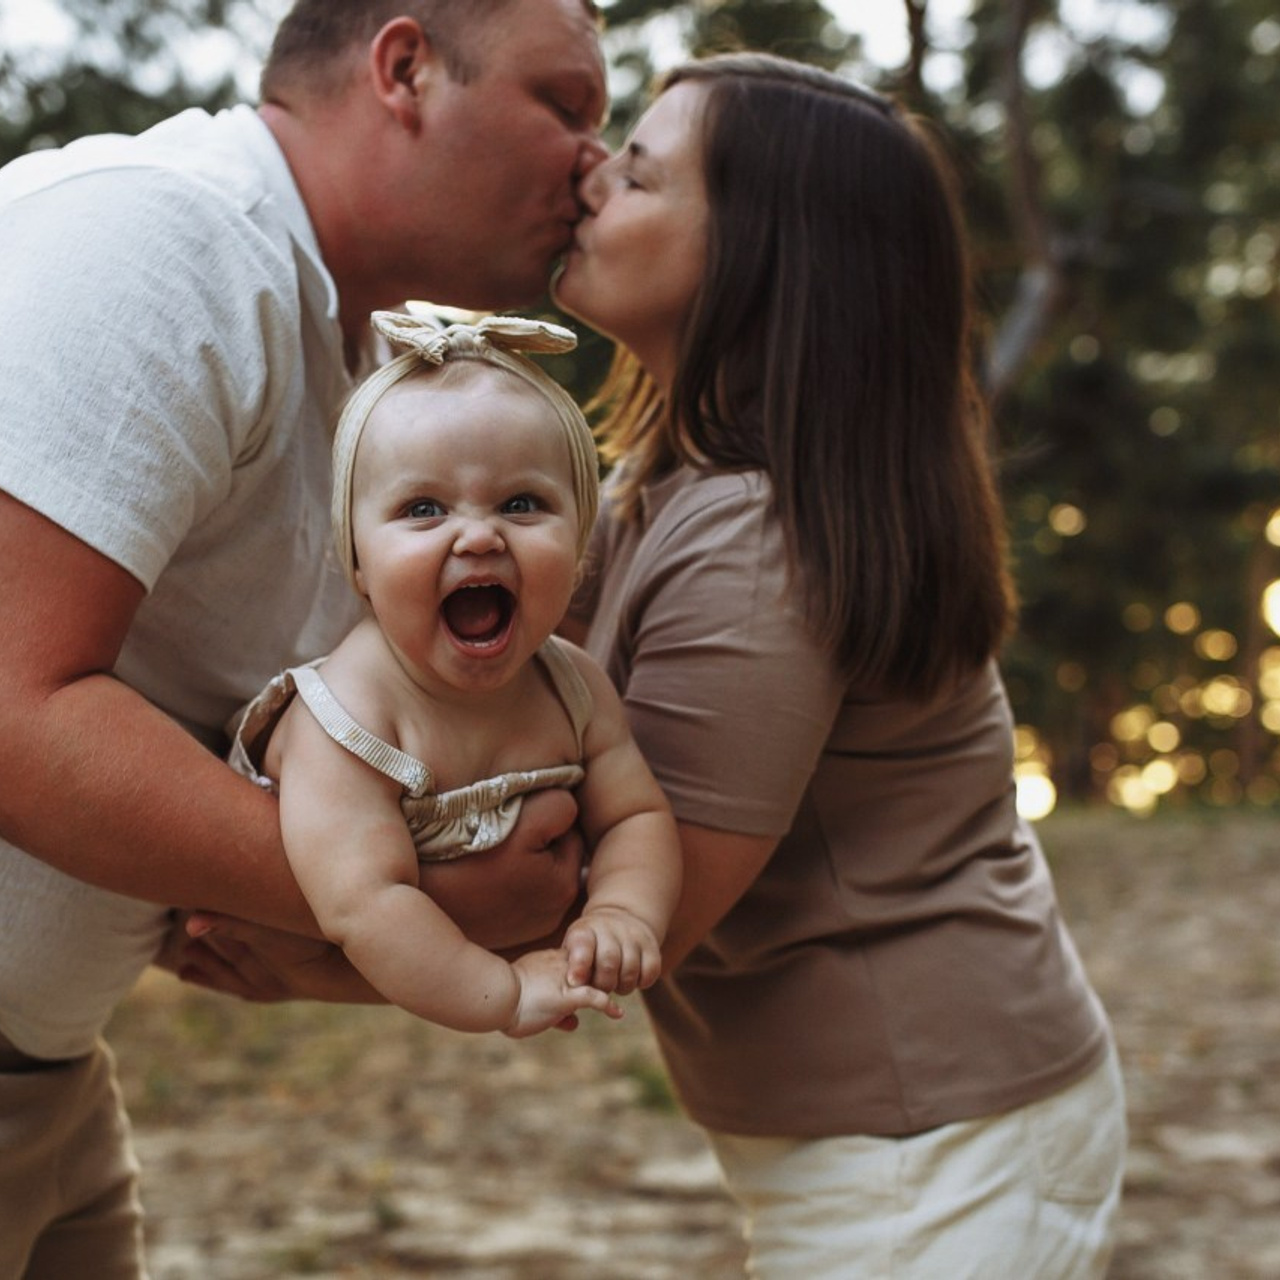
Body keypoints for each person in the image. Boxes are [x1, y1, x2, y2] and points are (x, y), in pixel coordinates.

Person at [0, 1, 608, 1275]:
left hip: (49, 1081)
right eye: (567, 105)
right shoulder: (164, 241)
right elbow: (11, 703)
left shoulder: (379, 374)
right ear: (406, 69)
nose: (592, 165)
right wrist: (408, 900)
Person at [549, 53, 1128, 1278]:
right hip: (902, 1139)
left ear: (760, 256)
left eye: (638, 173)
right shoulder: (673, 486)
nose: (588, 178)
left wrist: (305, 937)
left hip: (930, 1150)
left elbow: (624, 904)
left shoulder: (761, 539)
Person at [227, 310, 681, 1036]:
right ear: (357, 562)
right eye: (423, 508)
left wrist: (623, 908)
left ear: (581, 550)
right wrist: (500, 994)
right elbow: (365, 903)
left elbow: (634, 815)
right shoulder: (348, 718)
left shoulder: (575, 689)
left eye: (522, 504)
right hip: (318, 945)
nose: (477, 535)